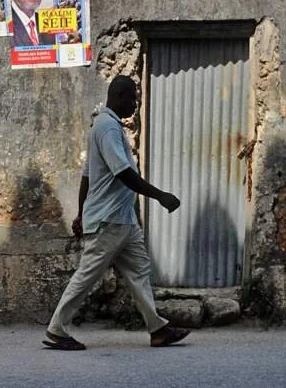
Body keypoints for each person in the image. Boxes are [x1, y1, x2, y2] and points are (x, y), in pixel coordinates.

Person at [43, 75, 191, 351]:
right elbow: (123, 173)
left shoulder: (104, 125)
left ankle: (157, 329)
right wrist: (160, 196)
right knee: (87, 275)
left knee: (139, 271)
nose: (135, 104)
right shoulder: (108, 128)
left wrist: (80, 212)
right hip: (109, 221)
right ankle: (56, 329)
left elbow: (88, 175)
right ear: (120, 96)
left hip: (122, 220)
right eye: (133, 98)